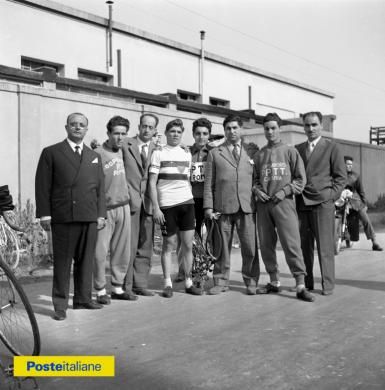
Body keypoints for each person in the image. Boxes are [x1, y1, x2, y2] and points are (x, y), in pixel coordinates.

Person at [35, 113, 106, 321]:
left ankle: (83, 298)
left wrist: (101, 214)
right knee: (63, 263)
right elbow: (42, 186)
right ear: (66, 127)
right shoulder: (52, 152)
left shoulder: (94, 155)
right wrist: (44, 214)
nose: (77, 127)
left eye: (82, 125)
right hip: (63, 215)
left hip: (89, 215)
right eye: (73, 124)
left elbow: (100, 189)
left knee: (86, 261)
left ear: (87, 129)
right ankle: (60, 305)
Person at [253, 113, 314, 302]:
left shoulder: (290, 151)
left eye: (273, 128)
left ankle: (300, 284)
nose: (270, 131)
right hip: (264, 206)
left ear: (279, 129)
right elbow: (254, 179)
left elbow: (300, 180)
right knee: (266, 244)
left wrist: (285, 191)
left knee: (291, 243)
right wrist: (256, 190)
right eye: (267, 128)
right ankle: (274, 281)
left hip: (284, 203)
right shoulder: (259, 154)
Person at [203, 114, 260, 295]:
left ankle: (251, 280)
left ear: (241, 129)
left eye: (235, 128)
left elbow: (257, 179)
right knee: (221, 247)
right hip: (222, 208)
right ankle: (220, 281)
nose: (232, 131)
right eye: (228, 128)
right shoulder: (214, 153)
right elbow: (209, 184)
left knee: (250, 246)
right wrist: (208, 208)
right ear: (224, 130)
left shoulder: (252, 151)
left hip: (247, 207)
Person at [148, 118, 202, 298]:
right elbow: (151, 182)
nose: (175, 134)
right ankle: (167, 283)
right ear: (166, 133)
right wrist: (156, 207)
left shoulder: (186, 153)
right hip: (167, 205)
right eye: (172, 131)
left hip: (187, 203)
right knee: (168, 245)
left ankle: (188, 282)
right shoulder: (158, 152)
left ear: (182, 134)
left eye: (179, 132)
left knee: (187, 245)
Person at [295, 111, 346, 296]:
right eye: (307, 125)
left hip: (322, 203)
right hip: (302, 203)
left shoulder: (332, 148)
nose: (311, 129)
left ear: (321, 126)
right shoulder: (297, 149)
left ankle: (328, 285)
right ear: (303, 127)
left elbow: (341, 178)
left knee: (325, 246)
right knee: (304, 246)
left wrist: (330, 196)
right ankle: (307, 283)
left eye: (314, 125)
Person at [93, 116, 133, 305]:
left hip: (123, 205)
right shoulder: (97, 153)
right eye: (116, 133)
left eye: (123, 134)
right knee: (100, 252)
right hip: (105, 208)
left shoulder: (125, 151)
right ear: (108, 133)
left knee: (121, 250)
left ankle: (117, 287)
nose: (120, 137)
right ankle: (100, 290)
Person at [121, 113, 159, 298]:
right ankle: (126, 286)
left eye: (150, 127)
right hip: (130, 201)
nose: (147, 130)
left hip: (149, 203)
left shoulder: (158, 148)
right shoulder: (126, 144)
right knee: (129, 244)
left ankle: (140, 283)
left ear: (155, 130)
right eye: (144, 126)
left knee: (145, 245)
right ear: (139, 126)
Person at [344, 156, 383, 251]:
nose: (350, 166)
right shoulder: (338, 175)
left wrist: (364, 205)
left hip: (356, 203)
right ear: (343, 164)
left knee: (366, 220)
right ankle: (345, 240)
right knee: (342, 220)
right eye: (348, 164)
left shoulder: (355, 176)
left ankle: (374, 242)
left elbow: (361, 192)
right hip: (342, 202)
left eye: (351, 164)